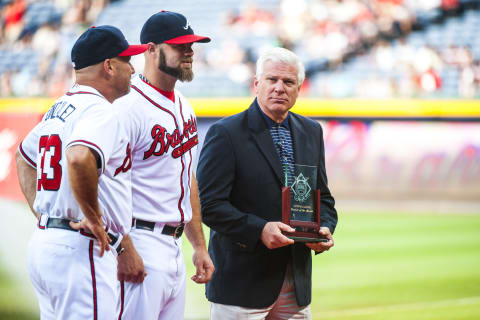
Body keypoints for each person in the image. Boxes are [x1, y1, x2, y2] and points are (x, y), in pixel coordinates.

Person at [15, 25, 147, 320]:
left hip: (48, 243)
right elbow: (77, 157)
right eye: (127, 60)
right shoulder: (99, 111)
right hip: (80, 248)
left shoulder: (60, 107)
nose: (133, 68)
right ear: (109, 66)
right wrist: (94, 218)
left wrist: (45, 213)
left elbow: (24, 156)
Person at [197, 47, 338, 319]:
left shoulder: (311, 131)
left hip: (295, 280)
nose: (279, 88)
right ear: (256, 84)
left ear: (299, 88)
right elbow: (208, 204)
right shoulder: (225, 133)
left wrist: (324, 228)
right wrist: (259, 229)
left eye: (288, 82)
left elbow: (322, 198)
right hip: (241, 283)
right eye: (272, 80)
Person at [113, 11, 214, 320]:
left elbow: (187, 179)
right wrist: (122, 246)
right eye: (179, 45)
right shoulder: (127, 107)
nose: (189, 52)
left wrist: (198, 244)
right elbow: (103, 181)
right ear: (151, 49)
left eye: (191, 45)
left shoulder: (183, 104)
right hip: (139, 239)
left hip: (173, 246)